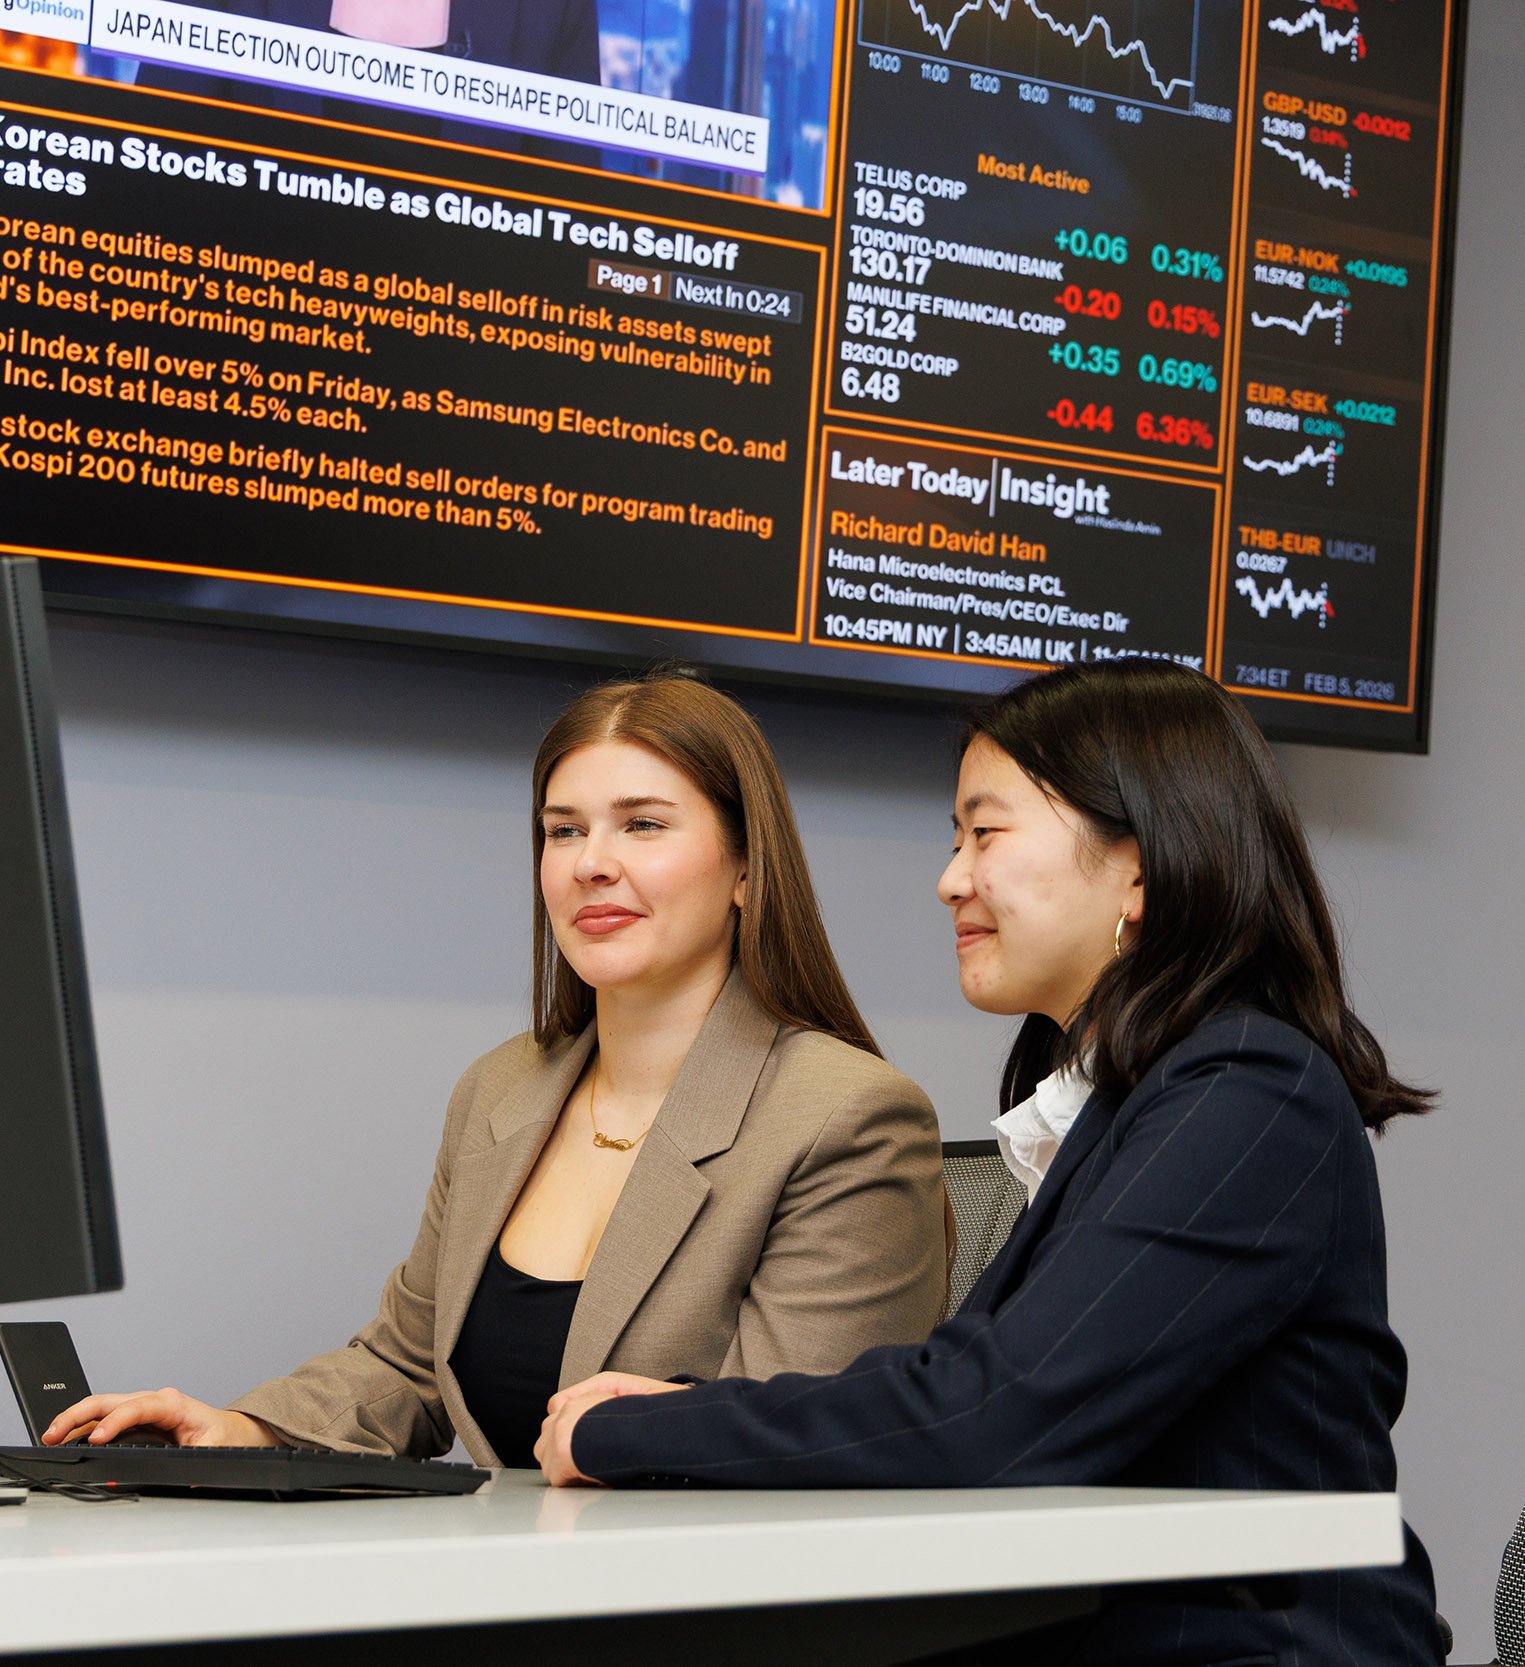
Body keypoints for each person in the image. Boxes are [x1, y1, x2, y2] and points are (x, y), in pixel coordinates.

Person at [537, 658, 1444, 1666]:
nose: (950, 877)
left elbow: (992, 1413)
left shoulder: (1251, 1089)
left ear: (1138, 866)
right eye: (954, 837)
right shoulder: (1141, 1101)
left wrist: (641, 1429)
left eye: (986, 832)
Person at [41, 671, 949, 1468]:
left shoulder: (848, 1116)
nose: (592, 864)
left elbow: (797, 1439)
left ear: (747, 866)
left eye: (643, 825)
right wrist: (240, 1430)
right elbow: (407, 1364)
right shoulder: (502, 1088)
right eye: (563, 832)